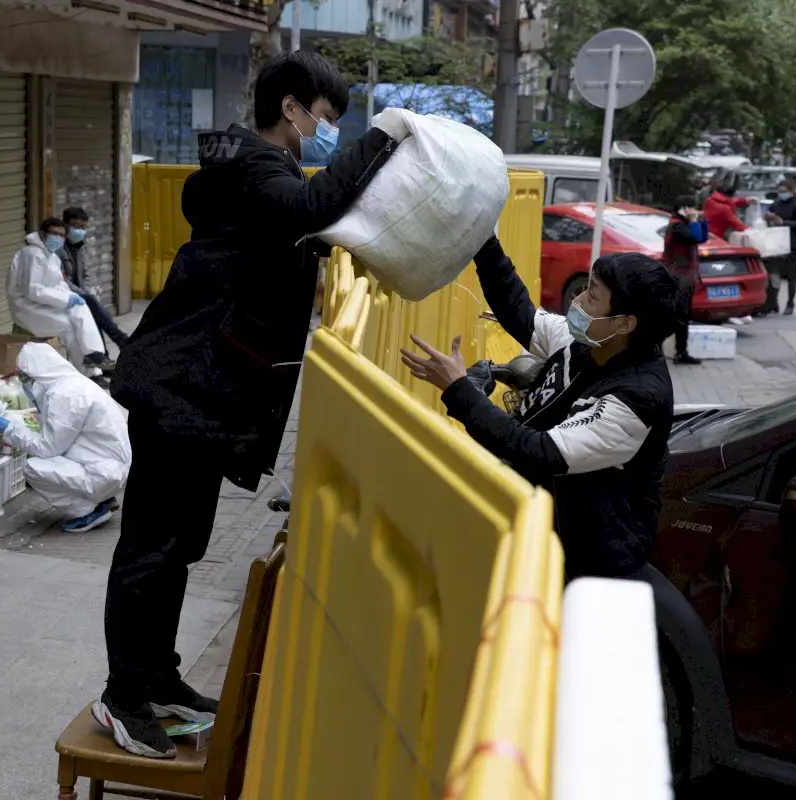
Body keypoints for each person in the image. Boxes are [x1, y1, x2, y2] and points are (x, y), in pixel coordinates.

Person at [96, 50, 407, 758]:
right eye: (327, 118)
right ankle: (122, 696)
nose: (330, 131)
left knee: (178, 548)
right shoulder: (255, 172)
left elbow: (301, 229)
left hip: (203, 391)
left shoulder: (254, 175)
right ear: (291, 109)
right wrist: (384, 135)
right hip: (181, 387)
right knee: (150, 549)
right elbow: (312, 204)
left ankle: (160, 678)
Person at [402, 236, 681, 582]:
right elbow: (521, 313)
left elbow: (538, 451)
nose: (577, 301)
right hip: (537, 533)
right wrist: (484, 241)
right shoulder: (588, 341)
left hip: (584, 567)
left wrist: (460, 390)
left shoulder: (636, 400)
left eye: (592, 295)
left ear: (625, 323)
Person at [0, 343, 131, 533]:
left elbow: (47, 448)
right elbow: (53, 432)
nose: (26, 383)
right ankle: (101, 497)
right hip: (106, 466)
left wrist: (9, 429)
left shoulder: (65, 395)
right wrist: (13, 420)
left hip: (104, 472)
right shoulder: (70, 384)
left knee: (34, 468)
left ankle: (88, 511)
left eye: (27, 377)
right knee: (48, 458)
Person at [8, 218, 112, 376]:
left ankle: (94, 357)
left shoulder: (52, 257)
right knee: (70, 327)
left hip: (45, 303)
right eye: (54, 234)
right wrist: (65, 300)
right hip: (27, 307)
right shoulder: (32, 254)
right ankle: (90, 370)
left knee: (80, 306)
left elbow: (59, 286)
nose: (59, 238)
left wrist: (70, 297)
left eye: (62, 235)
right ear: (43, 234)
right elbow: (31, 289)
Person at [58, 207, 130, 349]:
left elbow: (85, 274)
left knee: (93, 310)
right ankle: (119, 339)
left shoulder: (80, 247)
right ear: (65, 225)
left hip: (80, 293)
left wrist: (86, 290)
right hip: (64, 294)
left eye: (83, 227)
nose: (79, 230)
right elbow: (62, 279)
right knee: (92, 306)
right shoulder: (58, 249)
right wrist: (83, 293)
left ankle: (105, 357)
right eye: (75, 226)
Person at [663, 196, 709, 365]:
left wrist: (703, 222)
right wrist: (695, 222)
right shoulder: (677, 225)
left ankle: (681, 352)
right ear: (682, 208)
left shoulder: (683, 224)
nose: (693, 211)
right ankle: (675, 351)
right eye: (691, 207)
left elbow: (703, 238)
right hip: (678, 275)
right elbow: (695, 237)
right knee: (678, 315)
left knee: (682, 314)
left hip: (685, 275)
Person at [763, 178, 796, 315]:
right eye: (779, 191)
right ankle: (772, 302)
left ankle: (790, 303)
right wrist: (768, 217)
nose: (781, 194)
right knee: (774, 273)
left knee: (791, 275)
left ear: (792, 191)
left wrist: (783, 222)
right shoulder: (777, 203)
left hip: (793, 244)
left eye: (784, 191)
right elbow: (769, 214)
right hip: (776, 243)